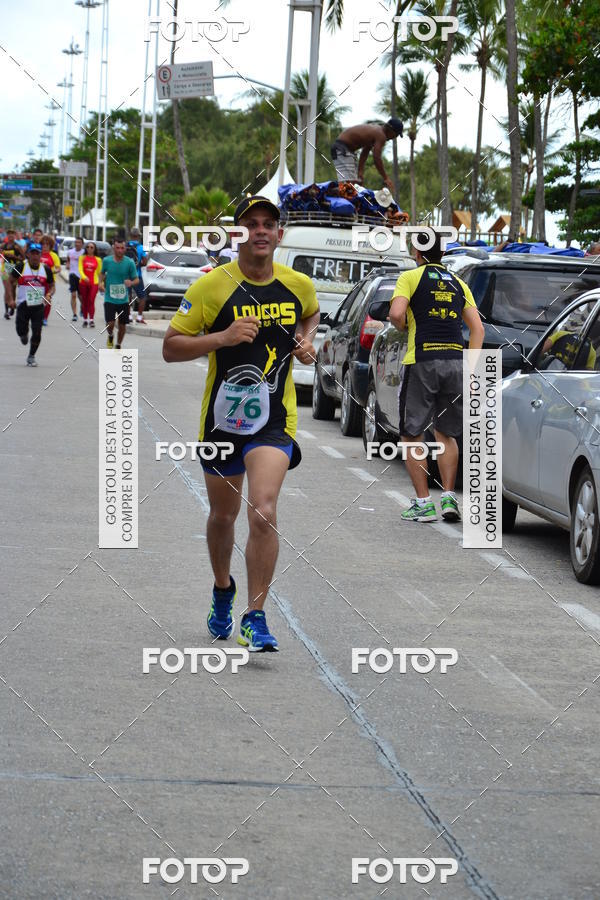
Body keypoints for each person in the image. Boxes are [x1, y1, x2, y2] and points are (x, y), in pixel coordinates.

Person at [162, 195, 319, 652]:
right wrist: (223, 338)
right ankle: (221, 588)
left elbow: (309, 315)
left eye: (269, 223)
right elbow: (171, 347)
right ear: (240, 233)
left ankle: (256, 615)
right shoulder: (213, 287)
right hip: (222, 422)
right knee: (223, 516)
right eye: (252, 224)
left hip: (275, 418)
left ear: (279, 234)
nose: (261, 231)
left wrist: (307, 341)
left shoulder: (298, 285)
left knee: (264, 510)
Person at [389, 232, 485, 523]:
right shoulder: (458, 283)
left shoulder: (410, 277)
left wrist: (405, 325)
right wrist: (470, 366)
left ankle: (422, 503)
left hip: (422, 360)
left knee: (411, 433)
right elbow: (478, 330)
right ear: (442, 254)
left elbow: (395, 314)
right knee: (447, 433)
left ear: (417, 252)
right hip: (456, 362)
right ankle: (448, 498)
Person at [11, 243, 54, 366]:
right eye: (33, 253)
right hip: (23, 304)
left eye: (37, 253)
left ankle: (31, 356)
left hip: (38, 306)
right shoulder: (21, 266)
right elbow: (10, 281)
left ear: (41, 255)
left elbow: (52, 286)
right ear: (28, 254)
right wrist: (11, 299)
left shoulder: (45, 269)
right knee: (21, 331)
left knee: (37, 332)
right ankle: (23, 334)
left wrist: (49, 294)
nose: (35, 256)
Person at [330, 118, 404, 190]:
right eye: (396, 135)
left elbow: (365, 152)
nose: (394, 137)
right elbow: (377, 157)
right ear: (391, 130)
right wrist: (386, 178)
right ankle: (326, 193)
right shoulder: (381, 135)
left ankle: (333, 193)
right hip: (342, 149)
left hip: (347, 151)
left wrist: (360, 171)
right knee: (348, 188)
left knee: (355, 185)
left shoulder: (377, 132)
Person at [99, 237, 139, 349]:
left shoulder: (129, 262)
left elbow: (137, 279)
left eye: (122, 248)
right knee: (110, 323)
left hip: (123, 300)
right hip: (109, 298)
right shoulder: (107, 261)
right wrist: (100, 284)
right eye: (117, 248)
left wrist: (130, 282)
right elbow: (102, 273)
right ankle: (110, 335)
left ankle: (118, 344)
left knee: (122, 325)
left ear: (125, 248)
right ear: (114, 248)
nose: (120, 250)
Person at [126, 227, 148, 324]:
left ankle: (129, 316)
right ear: (139, 236)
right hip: (137, 275)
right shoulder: (140, 247)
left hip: (126, 275)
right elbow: (145, 261)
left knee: (128, 296)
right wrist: (138, 264)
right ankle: (139, 317)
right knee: (142, 297)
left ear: (130, 235)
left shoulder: (125, 246)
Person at [78, 241, 102, 327]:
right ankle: (85, 320)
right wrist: (84, 277)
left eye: (92, 247)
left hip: (94, 283)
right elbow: (80, 269)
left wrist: (101, 283)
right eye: (88, 247)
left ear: (94, 249)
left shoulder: (98, 259)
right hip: (83, 282)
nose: (89, 249)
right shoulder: (82, 258)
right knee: (85, 301)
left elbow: (100, 273)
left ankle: (91, 320)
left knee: (91, 300)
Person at [1, 229, 23, 319]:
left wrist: (14, 257)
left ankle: (12, 306)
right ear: (7, 236)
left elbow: (23, 258)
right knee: (7, 290)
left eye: (12, 235)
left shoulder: (17, 246)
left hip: (14, 268)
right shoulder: (3, 245)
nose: (10, 237)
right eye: (9, 235)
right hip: (5, 268)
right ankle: (6, 311)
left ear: (14, 236)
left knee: (13, 289)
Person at [40, 234, 61, 325]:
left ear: (50, 245)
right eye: (43, 244)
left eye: (47, 244)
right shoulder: (37, 253)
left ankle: (45, 318)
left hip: (49, 281)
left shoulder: (54, 255)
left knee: (47, 298)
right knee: (38, 299)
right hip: (38, 281)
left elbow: (58, 268)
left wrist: (53, 272)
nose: (45, 246)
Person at [67, 236, 84, 322]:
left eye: (79, 242)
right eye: (76, 242)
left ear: (82, 244)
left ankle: (82, 306)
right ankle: (74, 314)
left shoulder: (84, 253)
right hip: (72, 275)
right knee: (73, 295)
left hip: (81, 276)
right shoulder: (70, 252)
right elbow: (68, 261)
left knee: (81, 296)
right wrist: (68, 265)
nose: (77, 244)